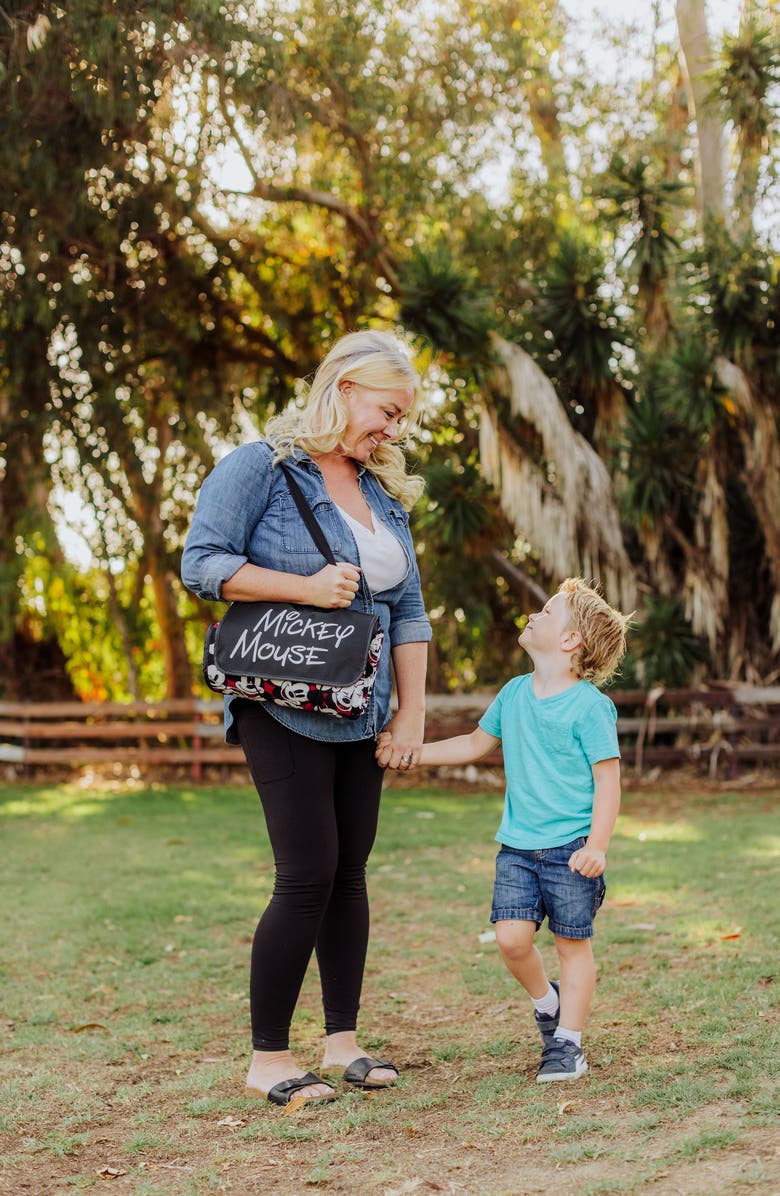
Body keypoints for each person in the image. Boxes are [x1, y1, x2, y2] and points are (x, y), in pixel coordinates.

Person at [181, 330, 431, 1106]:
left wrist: (412, 714)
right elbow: (202, 565)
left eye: (401, 420)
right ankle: (268, 1059)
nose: (392, 430)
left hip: (363, 707)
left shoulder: (381, 493)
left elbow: (409, 610)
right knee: (307, 875)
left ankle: (344, 1042)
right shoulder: (259, 466)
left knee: (349, 877)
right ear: (346, 387)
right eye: (387, 412)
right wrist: (303, 588)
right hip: (279, 704)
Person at [379, 578, 630, 1082]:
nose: (532, 615)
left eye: (547, 611)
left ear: (569, 641)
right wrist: (412, 754)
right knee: (512, 941)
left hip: (572, 849)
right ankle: (547, 1004)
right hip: (517, 847)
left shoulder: (589, 707)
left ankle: (569, 1045)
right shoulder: (515, 693)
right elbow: (474, 744)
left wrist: (598, 846)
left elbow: (608, 780)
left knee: (571, 946)